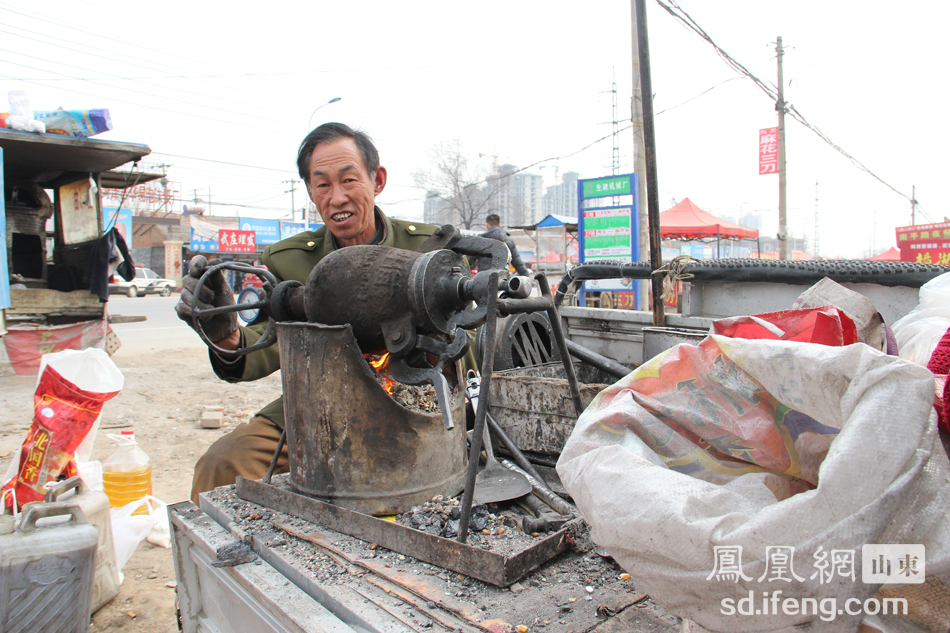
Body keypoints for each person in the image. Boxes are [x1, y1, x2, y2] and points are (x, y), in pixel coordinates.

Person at [176, 123, 448, 503]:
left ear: (377, 180)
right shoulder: (289, 260)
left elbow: (465, 341)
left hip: (416, 401)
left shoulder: (428, 249)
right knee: (222, 463)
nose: (337, 197)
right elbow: (273, 341)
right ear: (309, 191)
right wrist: (226, 334)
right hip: (320, 404)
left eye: (349, 180)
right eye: (322, 185)